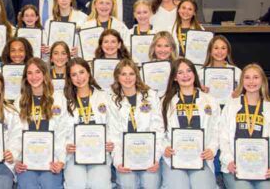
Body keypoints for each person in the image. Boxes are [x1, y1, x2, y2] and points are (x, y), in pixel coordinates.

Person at [160, 58, 220, 189]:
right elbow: (159, 130)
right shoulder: (166, 102)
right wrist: (164, 147)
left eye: (188, 71)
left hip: (201, 157)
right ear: (175, 77)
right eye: (180, 72)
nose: (185, 75)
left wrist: (212, 149)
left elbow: (216, 130)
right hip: (174, 158)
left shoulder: (210, 100)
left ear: (194, 73)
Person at [108, 59, 164, 189]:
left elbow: (159, 129)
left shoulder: (151, 96)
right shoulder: (111, 100)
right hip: (125, 156)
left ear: (137, 75)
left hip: (149, 154)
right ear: (117, 77)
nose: (128, 78)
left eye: (131, 74)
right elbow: (113, 133)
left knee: (151, 185)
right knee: (128, 185)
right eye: (123, 74)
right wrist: (118, 162)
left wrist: (155, 158)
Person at [14, 58, 67, 189]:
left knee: (50, 185)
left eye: (38, 72)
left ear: (44, 74)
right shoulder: (19, 101)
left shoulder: (59, 99)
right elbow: (14, 135)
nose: (34, 77)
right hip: (27, 162)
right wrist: (16, 161)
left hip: (50, 162)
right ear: (25, 77)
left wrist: (60, 161)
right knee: (27, 185)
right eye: (29, 73)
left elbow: (63, 133)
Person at [62, 57, 114, 188]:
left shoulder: (105, 97)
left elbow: (113, 125)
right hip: (75, 154)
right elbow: (58, 128)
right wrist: (65, 145)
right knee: (76, 184)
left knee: (99, 184)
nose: (79, 78)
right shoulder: (63, 100)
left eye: (82, 72)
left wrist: (110, 142)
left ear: (89, 73)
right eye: (74, 74)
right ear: (69, 78)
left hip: (99, 152)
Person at [219, 63, 270, 189]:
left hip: (263, 170)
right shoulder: (231, 106)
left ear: (262, 80)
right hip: (235, 169)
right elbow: (222, 137)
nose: (251, 81)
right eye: (247, 77)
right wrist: (228, 161)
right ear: (242, 81)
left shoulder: (269, 107)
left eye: (255, 77)